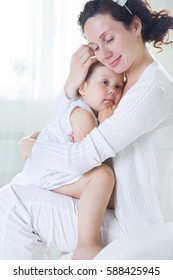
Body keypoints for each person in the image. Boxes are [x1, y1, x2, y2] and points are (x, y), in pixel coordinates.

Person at [0, 0, 173, 260]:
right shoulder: (125, 82)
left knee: (12, 202)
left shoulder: (148, 90)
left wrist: (30, 147)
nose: (103, 53)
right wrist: (72, 84)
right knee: (17, 198)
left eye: (109, 39)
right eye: (95, 46)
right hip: (117, 212)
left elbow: (80, 157)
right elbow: (66, 128)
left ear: (135, 26)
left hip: (136, 224)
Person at [19, 61, 125, 260]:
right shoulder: (83, 115)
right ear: (83, 88)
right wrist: (106, 124)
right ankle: (86, 245)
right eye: (105, 82)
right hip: (46, 175)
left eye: (118, 86)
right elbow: (88, 162)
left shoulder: (84, 112)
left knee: (107, 189)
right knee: (102, 176)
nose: (112, 90)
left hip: (51, 172)